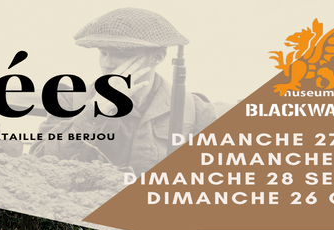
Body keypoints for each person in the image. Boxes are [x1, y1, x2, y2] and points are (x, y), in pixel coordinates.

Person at [31, 7, 217, 175]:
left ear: (157, 57)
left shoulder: (196, 111)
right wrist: (94, 113)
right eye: (103, 53)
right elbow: (39, 165)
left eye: (122, 54)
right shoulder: (70, 101)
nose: (107, 64)